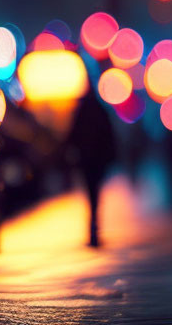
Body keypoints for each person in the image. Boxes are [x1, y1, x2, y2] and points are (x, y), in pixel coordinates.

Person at [67, 89, 117, 247]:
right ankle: (94, 227)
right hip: (98, 160)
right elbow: (109, 135)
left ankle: (92, 228)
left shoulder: (81, 113)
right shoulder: (101, 111)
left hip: (86, 159)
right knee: (95, 193)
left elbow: (72, 135)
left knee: (90, 193)